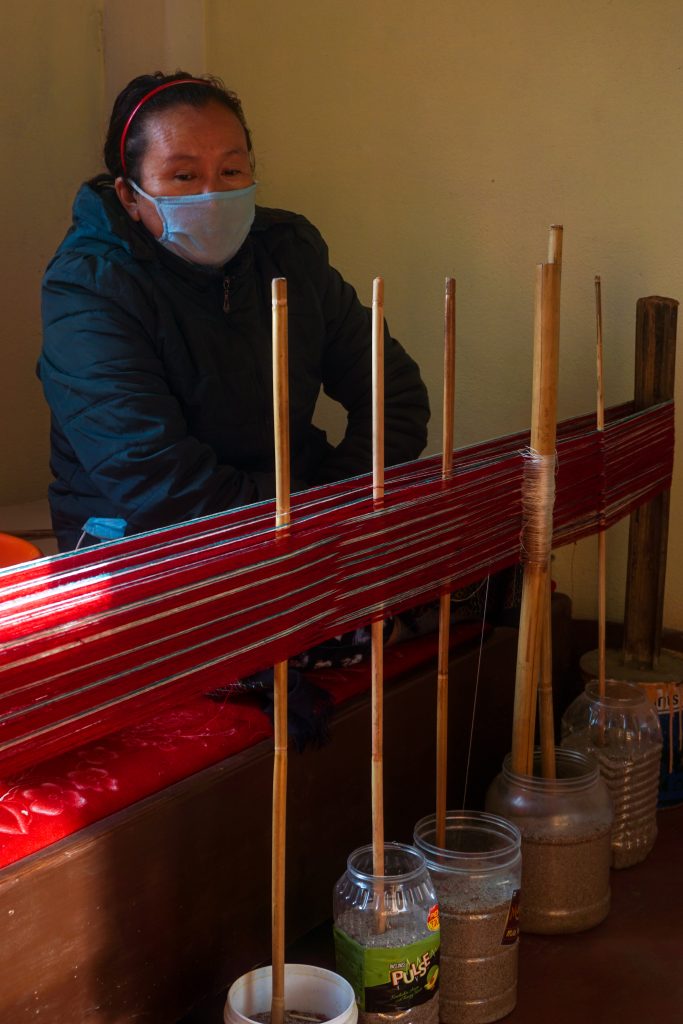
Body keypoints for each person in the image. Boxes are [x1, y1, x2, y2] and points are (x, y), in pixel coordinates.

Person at [39, 71, 430, 551]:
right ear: (129, 197)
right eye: (183, 176)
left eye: (230, 171)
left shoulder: (288, 252)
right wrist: (307, 524)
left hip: (300, 509)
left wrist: (339, 502)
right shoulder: (89, 287)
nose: (212, 195)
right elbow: (159, 481)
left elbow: (393, 393)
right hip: (142, 535)